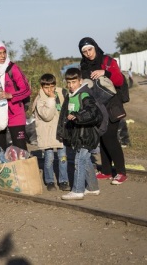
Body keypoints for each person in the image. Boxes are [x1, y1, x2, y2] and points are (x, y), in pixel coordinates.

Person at [78, 37, 128, 185]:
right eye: (84, 51)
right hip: (97, 108)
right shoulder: (84, 66)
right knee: (101, 137)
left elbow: (119, 81)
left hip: (112, 107)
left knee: (110, 138)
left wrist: (104, 72)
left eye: (90, 49)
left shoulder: (107, 61)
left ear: (95, 47)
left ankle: (121, 172)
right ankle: (106, 170)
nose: (88, 53)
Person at [57, 68, 101, 200]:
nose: (70, 85)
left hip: (86, 135)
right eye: (68, 82)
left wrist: (78, 116)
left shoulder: (84, 95)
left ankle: (77, 190)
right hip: (78, 135)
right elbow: (64, 115)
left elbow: (93, 112)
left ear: (80, 81)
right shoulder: (70, 96)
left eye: (74, 82)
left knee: (79, 161)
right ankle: (93, 188)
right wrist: (62, 132)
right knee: (85, 160)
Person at [33, 73, 70, 192]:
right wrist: (51, 99)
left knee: (62, 158)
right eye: (46, 87)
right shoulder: (40, 100)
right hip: (47, 134)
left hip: (59, 132)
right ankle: (49, 181)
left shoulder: (61, 94)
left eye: (52, 86)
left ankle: (63, 181)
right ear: (42, 87)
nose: (49, 90)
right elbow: (47, 116)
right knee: (49, 158)